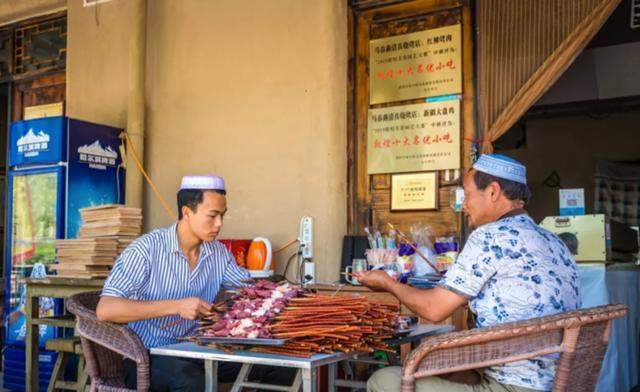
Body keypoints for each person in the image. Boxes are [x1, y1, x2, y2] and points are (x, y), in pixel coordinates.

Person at [358, 154, 581, 392]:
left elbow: (434, 309)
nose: (463, 205)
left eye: (467, 194)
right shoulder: (554, 241)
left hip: (513, 386)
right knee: (447, 369)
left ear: (493, 192)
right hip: (557, 381)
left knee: (383, 380)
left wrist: (387, 283)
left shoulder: (490, 236)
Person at [97, 175, 251, 390]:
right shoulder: (146, 250)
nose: (219, 224)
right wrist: (177, 306)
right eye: (213, 216)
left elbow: (248, 290)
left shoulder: (218, 253)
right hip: (145, 357)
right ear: (187, 212)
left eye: (222, 216)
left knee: (274, 368)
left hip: (196, 350)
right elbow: (106, 309)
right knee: (190, 380)